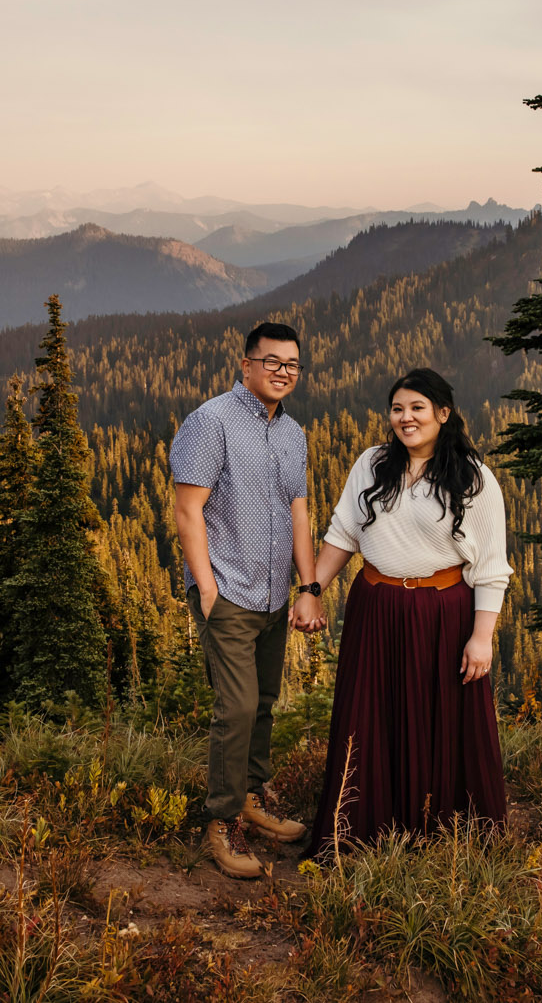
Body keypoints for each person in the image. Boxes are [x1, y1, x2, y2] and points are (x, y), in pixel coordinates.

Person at [295, 367, 510, 857]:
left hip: (442, 613)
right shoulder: (372, 464)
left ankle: (437, 836)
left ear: (443, 414)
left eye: (417, 408)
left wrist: (482, 637)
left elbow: (491, 567)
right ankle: (359, 831)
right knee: (368, 717)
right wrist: (311, 590)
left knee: (439, 720)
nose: (405, 418)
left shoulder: (473, 477)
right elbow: (343, 534)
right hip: (374, 606)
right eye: (397, 409)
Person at [170, 320, 319, 879]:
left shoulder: (292, 433)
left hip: (275, 593)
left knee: (262, 703)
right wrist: (207, 590)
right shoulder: (211, 422)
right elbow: (188, 511)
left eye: (292, 365)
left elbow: (299, 514)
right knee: (234, 709)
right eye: (272, 362)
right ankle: (221, 823)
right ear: (246, 364)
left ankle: (252, 801)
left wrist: (308, 587)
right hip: (228, 590)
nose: (283, 372)